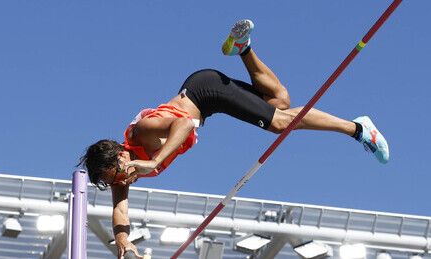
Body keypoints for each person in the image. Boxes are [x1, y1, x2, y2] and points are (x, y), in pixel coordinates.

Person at [77, 19, 389, 258]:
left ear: (121, 155)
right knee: (279, 100)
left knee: (279, 123)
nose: (121, 182)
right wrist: (124, 243)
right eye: (112, 182)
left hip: (205, 92)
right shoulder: (122, 176)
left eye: (116, 175)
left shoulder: (140, 133)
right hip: (207, 100)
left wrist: (154, 162)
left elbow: (184, 125)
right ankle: (243, 47)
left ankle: (358, 129)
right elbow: (120, 213)